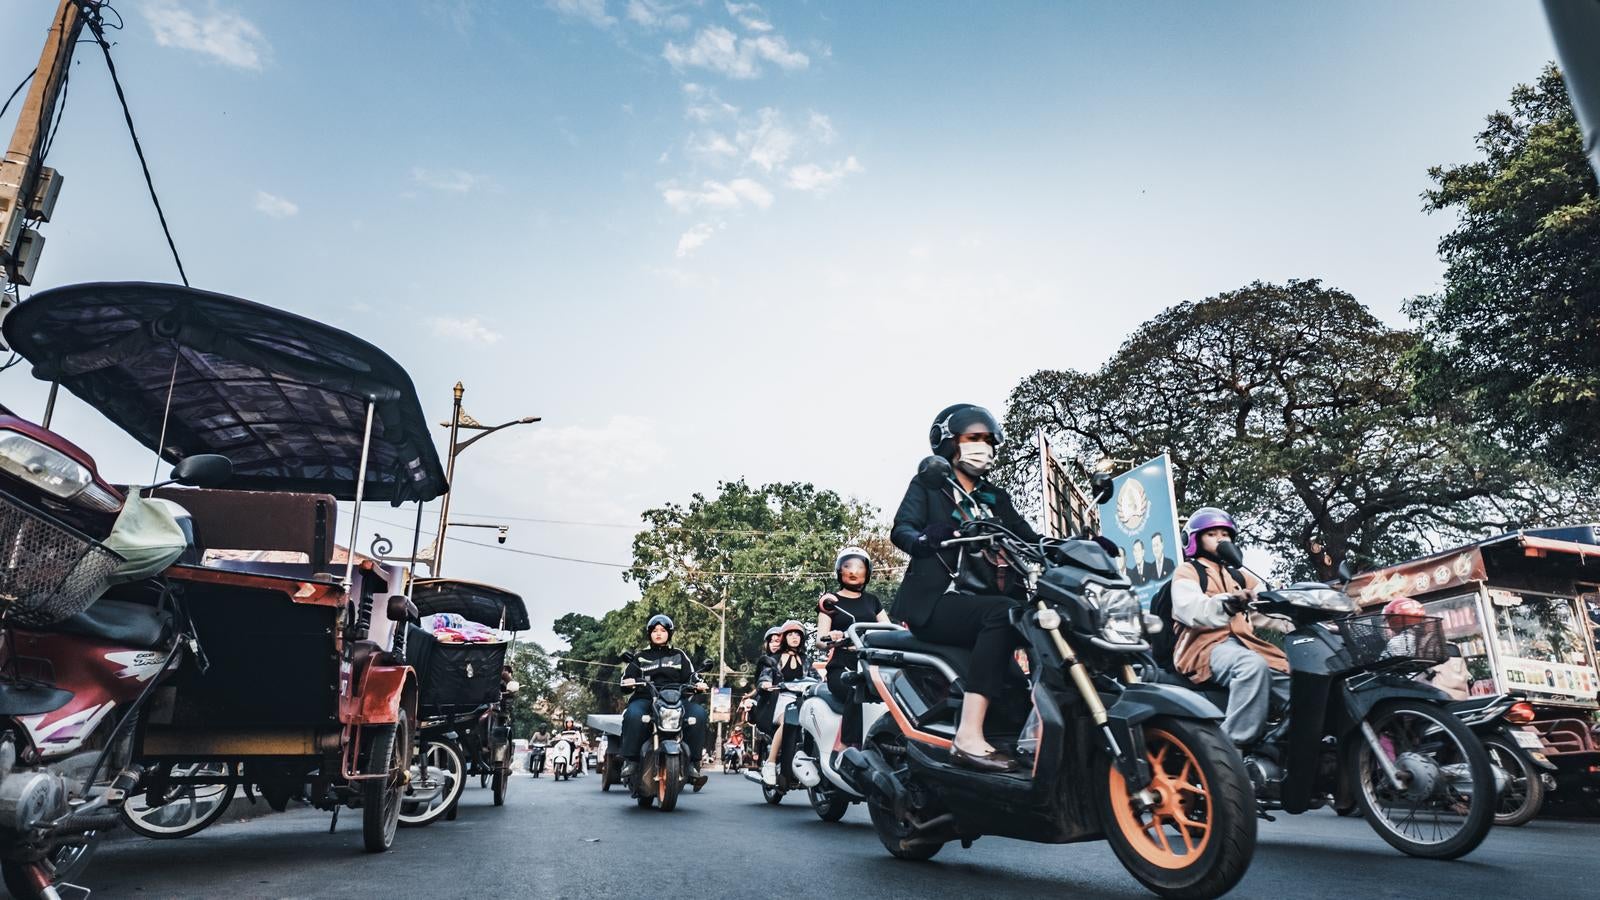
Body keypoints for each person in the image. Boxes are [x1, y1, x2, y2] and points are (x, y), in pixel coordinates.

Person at [890, 403, 1042, 772]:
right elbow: (902, 529)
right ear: (948, 443)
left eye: (988, 440)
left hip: (987, 603)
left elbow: (1029, 538)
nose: (983, 447)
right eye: (973, 438)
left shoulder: (994, 498)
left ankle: (1034, 737)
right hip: (941, 602)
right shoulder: (931, 485)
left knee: (1040, 626)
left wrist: (1077, 546)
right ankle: (968, 736)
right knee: (1003, 615)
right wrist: (925, 539)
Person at [1170, 507, 1290, 748]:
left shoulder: (1241, 576)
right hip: (1205, 648)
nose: (1220, 539)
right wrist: (1229, 603)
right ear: (1194, 540)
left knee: (1301, 677)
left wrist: (1308, 619)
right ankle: (1230, 748)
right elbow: (1191, 609)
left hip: (1248, 646)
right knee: (1251, 667)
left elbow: (1270, 611)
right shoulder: (1189, 571)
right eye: (1212, 534)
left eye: (1225, 534)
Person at [619, 614, 710, 785]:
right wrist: (630, 682)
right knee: (633, 714)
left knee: (698, 714)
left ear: (669, 633)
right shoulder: (640, 657)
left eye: (662, 630)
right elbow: (625, 681)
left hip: (675, 699)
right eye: (654, 631)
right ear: (649, 634)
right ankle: (631, 761)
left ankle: (693, 764)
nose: (658, 633)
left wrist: (699, 684)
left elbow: (691, 676)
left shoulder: (679, 655)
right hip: (646, 698)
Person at [817, 546, 892, 748]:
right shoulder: (830, 601)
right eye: (847, 566)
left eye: (859, 567)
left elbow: (889, 630)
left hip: (869, 664)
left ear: (867, 572)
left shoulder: (872, 601)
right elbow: (819, 641)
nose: (853, 571)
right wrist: (831, 636)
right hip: (842, 666)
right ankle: (849, 748)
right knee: (854, 690)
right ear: (839, 571)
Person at [758, 620, 810, 785]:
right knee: (787, 720)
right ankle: (771, 763)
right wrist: (766, 683)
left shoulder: (806, 659)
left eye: (798, 635)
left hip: (803, 699)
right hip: (782, 698)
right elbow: (765, 675)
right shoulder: (775, 658)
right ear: (784, 638)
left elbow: (817, 678)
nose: (795, 638)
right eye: (790, 634)